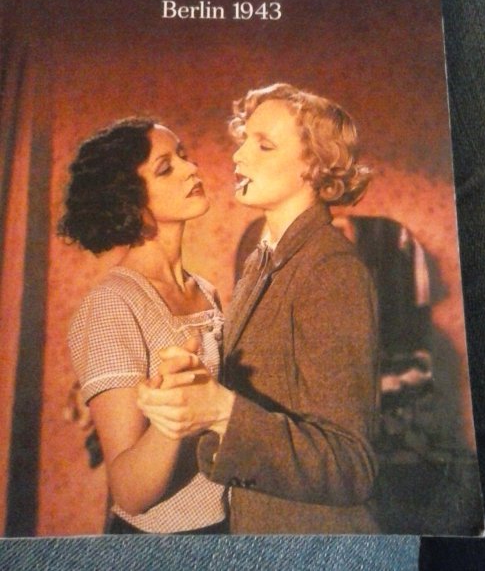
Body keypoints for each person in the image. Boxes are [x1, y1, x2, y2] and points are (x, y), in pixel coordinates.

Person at [138, 83, 380, 534]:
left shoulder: (331, 270)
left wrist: (221, 411)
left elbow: (351, 465)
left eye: (263, 145)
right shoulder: (262, 261)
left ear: (314, 167)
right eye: (244, 139)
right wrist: (194, 386)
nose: (238, 156)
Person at [59, 117, 228, 534]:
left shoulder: (205, 291)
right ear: (130, 201)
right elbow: (130, 492)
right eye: (166, 168)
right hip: (160, 543)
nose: (192, 169)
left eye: (184, 156)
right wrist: (174, 409)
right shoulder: (112, 304)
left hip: (224, 531)